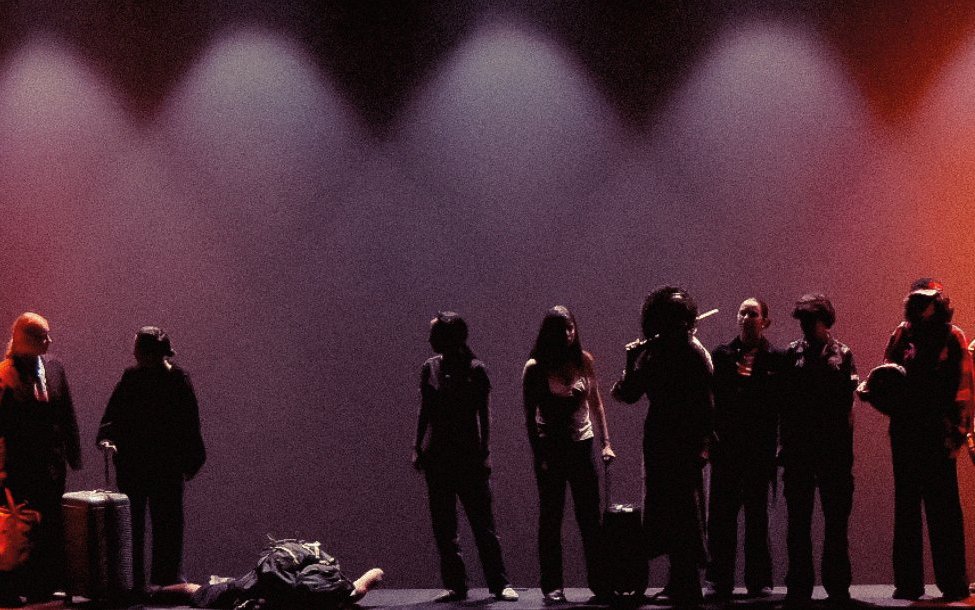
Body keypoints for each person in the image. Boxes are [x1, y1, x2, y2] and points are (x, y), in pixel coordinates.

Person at [611, 287, 713, 607]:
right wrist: (631, 361)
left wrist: (704, 447)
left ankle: (688, 584)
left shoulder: (694, 352)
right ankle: (677, 581)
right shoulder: (653, 353)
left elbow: (709, 405)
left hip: (685, 441)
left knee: (687, 512)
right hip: (659, 440)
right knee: (664, 510)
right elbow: (627, 394)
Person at [877, 279, 973, 601]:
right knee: (906, 509)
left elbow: (964, 388)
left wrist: (957, 434)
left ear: (939, 302)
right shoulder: (902, 334)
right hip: (905, 433)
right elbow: (886, 374)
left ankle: (953, 583)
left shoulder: (952, 335)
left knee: (944, 509)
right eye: (918, 299)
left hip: (938, 434)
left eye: (929, 299)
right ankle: (908, 583)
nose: (924, 305)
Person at [412, 312, 518, 603]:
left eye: (434, 334)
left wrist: (485, 452)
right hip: (438, 458)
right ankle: (456, 585)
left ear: (449, 337)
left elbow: (484, 414)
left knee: (483, 525)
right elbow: (424, 410)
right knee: (444, 527)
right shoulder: (430, 368)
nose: (429, 339)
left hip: (469, 457)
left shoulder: (475, 369)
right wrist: (417, 446)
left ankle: (500, 584)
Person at [97, 326, 206, 591]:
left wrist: (189, 461)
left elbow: (189, 423)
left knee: (167, 524)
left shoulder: (178, 380)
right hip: (135, 463)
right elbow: (114, 414)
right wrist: (107, 438)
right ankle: (133, 583)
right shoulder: (132, 377)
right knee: (132, 525)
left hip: (164, 465)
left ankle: (165, 583)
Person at [524, 305, 615, 604]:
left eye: (570, 328)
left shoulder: (583, 360)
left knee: (589, 517)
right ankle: (552, 585)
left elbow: (597, 403)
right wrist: (539, 456)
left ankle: (601, 582)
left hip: (581, 445)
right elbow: (530, 416)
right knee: (551, 519)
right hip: (551, 447)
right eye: (561, 329)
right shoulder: (536, 367)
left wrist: (606, 443)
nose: (567, 334)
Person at [779, 294, 858, 604]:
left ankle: (837, 587)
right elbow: (784, 405)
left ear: (825, 321)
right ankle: (799, 587)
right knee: (798, 523)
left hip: (833, 450)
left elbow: (849, 405)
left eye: (811, 320)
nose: (805, 326)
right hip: (799, 450)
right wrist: (783, 445)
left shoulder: (843, 354)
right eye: (802, 320)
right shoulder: (792, 353)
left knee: (836, 524)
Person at [0, 312, 82, 604]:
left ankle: (42, 584)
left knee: (49, 522)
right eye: (42, 336)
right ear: (25, 340)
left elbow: (67, 414)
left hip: (51, 465)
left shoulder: (54, 368)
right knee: (19, 527)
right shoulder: (5, 375)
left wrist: (73, 454)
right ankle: (11, 586)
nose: (49, 341)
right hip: (19, 466)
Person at [704, 298, 778, 599]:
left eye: (753, 313)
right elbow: (710, 401)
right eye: (743, 312)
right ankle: (719, 579)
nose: (747, 317)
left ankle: (758, 581)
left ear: (765, 321)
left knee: (757, 517)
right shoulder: (721, 356)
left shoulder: (775, 359)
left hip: (759, 452)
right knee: (721, 518)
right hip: (727, 451)